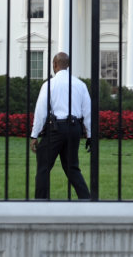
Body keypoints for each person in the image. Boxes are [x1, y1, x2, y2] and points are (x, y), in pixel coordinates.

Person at [30, 52, 91, 200]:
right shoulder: (80, 84)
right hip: (74, 127)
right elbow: (88, 111)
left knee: (44, 167)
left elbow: (41, 111)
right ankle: (86, 198)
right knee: (72, 168)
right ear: (68, 65)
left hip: (55, 128)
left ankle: (41, 201)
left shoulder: (49, 85)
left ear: (54, 65)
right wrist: (90, 134)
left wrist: (34, 134)